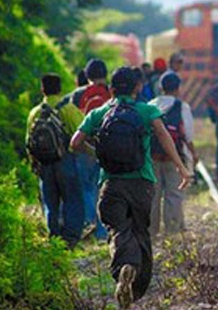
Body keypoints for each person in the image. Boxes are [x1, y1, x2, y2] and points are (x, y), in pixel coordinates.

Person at [70, 66, 192, 309]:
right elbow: (164, 136)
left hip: (111, 183)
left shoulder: (100, 112)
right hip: (142, 182)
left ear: (112, 89)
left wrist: (98, 154)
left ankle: (124, 269)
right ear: (137, 87)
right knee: (140, 230)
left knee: (118, 230)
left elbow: (75, 143)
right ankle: (135, 280)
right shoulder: (146, 110)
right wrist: (181, 167)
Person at [26, 74, 85, 249]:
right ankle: (71, 238)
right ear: (59, 89)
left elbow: (28, 141)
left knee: (50, 202)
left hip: (44, 163)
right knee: (72, 198)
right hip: (65, 159)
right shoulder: (67, 108)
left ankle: (54, 238)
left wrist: (33, 162)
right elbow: (80, 130)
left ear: (42, 89)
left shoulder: (35, 112)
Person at [149, 72, 197, 237]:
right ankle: (173, 232)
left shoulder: (151, 105)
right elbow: (188, 135)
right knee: (174, 194)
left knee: (153, 195)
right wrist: (193, 155)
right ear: (178, 88)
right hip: (174, 157)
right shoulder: (182, 107)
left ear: (161, 88)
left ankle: (151, 231)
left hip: (153, 157)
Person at [67, 59, 111, 240]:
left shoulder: (77, 95)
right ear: (105, 74)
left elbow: (72, 122)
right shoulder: (112, 91)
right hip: (107, 146)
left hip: (85, 147)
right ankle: (102, 230)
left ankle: (88, 223)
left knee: (86, 187)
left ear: (87, 75)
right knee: (103, 186)